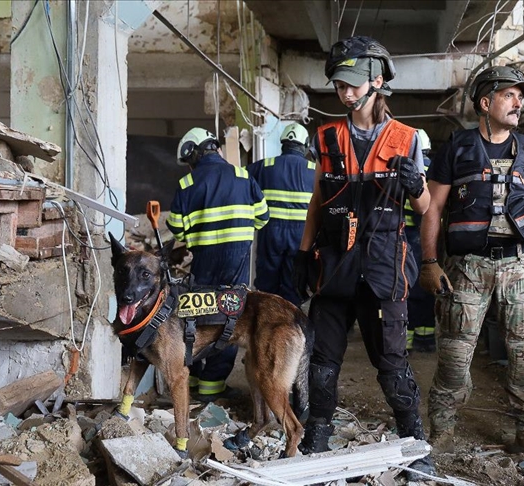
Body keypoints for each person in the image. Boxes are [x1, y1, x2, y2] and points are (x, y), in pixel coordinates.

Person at [291, 35, 435, 478]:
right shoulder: (326, 137)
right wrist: (302, 253)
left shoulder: (407, 139)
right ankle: (317, 436)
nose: (344, 92)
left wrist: (416, 186)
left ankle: (414, 443)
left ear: (376, 81)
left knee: (391, 366)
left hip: (383, 266)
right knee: (322, 365)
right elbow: (318, 201)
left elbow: (425, 208)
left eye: (351, 83)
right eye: (338, 85)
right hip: (334, 265)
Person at [419, 65, 524, 457]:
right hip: (467, 267)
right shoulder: (458, 147)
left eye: (521, 97)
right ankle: (443, 429)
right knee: (454, 357)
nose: (518, 104)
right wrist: (429, 261)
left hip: (520, 266)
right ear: (485, 103)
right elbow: (433, 208)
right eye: (509, 95)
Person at [166, 127, 269, 401]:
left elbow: (177, 230)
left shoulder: (187, 184)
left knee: (197, 318)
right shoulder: (244, 176)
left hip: (204, 264)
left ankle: (194, 378)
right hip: (236, 265)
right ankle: (213, 385)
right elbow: (263, 217)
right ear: (215, 148)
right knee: (229, 318)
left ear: (193, 155)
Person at [247, 123, 316, 307]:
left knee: (267, 282)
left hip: (271, 232)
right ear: (305, 145)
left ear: (283, 143)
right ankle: (288, 320)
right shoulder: (314, 170)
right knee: (293, 282)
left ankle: (264, 317)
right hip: (301, 235)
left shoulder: (264, 166)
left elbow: (239, 182)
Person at [405, 129, 436, 352]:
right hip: (430, 235)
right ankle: (426, 339)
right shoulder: (435, 168)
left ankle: (404, 341)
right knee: (427, 285)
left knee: (406, 285)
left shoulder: (405, 167)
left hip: (406, 235)